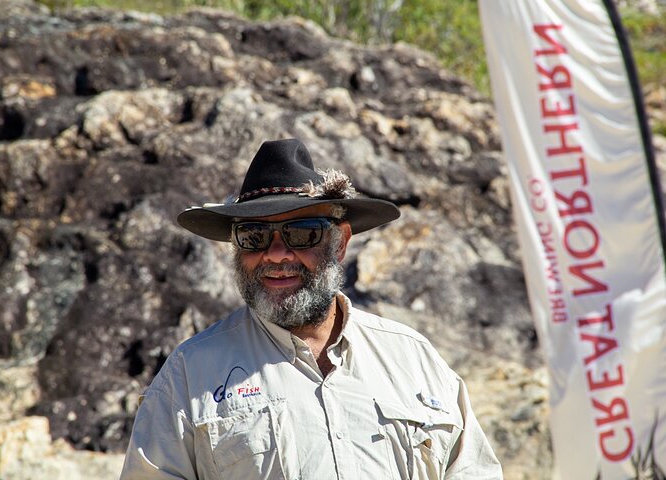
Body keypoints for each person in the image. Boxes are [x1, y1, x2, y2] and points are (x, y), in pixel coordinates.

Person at [120, 138, 503, 480]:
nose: (276, 254)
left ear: (340, 244)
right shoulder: (190, 375)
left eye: (301, 233)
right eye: (254, 237)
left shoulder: (413, 358)